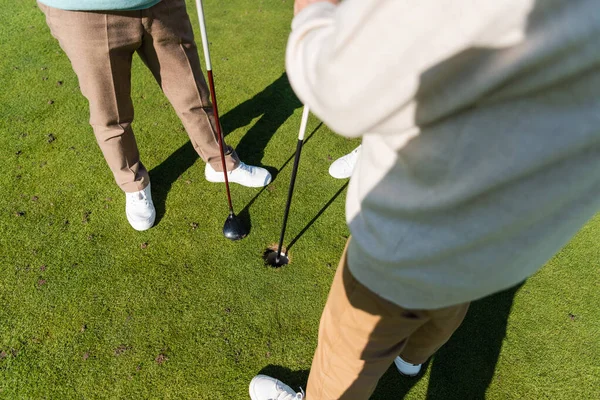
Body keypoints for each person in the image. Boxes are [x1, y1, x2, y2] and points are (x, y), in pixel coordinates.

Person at [249, 0, 600, 399]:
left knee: (346, 356)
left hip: (407, 241)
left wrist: (313, 11)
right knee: (449, 303)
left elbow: (338, 90)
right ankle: (412, 358)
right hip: (507, 241)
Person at [38, 0, 272, 231]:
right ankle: (134, 184)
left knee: (193, 95)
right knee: (110, 114)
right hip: (86, 13)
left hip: (161, 5)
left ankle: (220, 163)